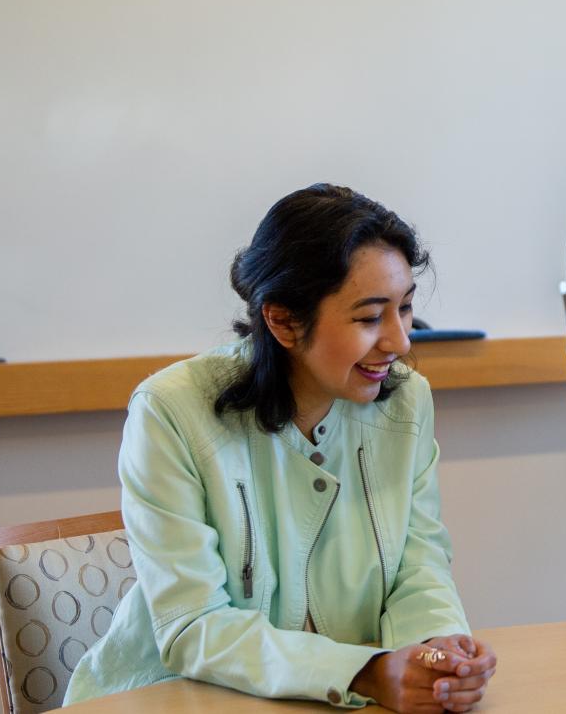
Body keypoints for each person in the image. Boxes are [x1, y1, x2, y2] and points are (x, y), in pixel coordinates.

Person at [67, 185, 496, 712]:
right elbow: (193, 625)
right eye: (368, 317)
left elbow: (419, 563)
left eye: (405, 309)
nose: (400, 341)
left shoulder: (406, 402)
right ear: (284, 321)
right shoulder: (171, 409)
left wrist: (436, 651)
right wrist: (365, 673)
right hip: (168, 700)